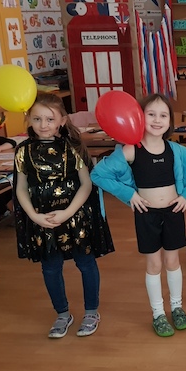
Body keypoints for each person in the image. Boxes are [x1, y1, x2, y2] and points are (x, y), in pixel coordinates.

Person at [91, 93, 186, 337]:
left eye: (163, 115)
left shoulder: (179, 151)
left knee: (172, 262)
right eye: (151, 114)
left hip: (173, 212)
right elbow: (98, 174)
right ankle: (158, 313)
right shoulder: (130, 150)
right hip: (146, 214)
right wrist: (129, 194)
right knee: (154, 264)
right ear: (139, 117)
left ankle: (177, 307)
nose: (157, 120)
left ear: (170, 121)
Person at [13, 92, 114, 338]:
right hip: (43, 220)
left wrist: (68, 212)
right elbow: (21, 188)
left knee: (85, 263)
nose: (43, 125)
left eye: (50, 119)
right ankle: (62, 313)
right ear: (29, 120)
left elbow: (86, 185)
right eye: (37, 119)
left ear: (62, 120)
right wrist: (34, 216)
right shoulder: (23, 151)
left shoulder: (73, 147)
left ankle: (91, 311)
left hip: (76, 218)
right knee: (50, 268)